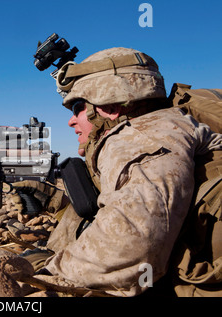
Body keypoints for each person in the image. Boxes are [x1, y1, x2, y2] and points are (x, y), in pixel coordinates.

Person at [13, 47, 222, 296]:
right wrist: (57, 203)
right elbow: (136, 204)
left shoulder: (139, 134)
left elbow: (133, 243)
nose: (71, 120)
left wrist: (50, 275)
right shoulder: (168, 128)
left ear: (110, 106)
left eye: (78, 107)